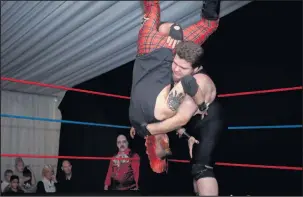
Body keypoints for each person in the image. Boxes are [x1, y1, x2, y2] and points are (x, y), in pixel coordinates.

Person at [129, 0, 220, 173]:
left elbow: (187, 84)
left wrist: (201, 106)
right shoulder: (134, 118)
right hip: (145, 44)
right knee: (152, 7)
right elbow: (173, 125)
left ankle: (172, 31)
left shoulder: (165, 111)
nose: (168, 140)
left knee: (209, 24)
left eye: (165, 144)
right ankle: (169, 28)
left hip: (170, 50)